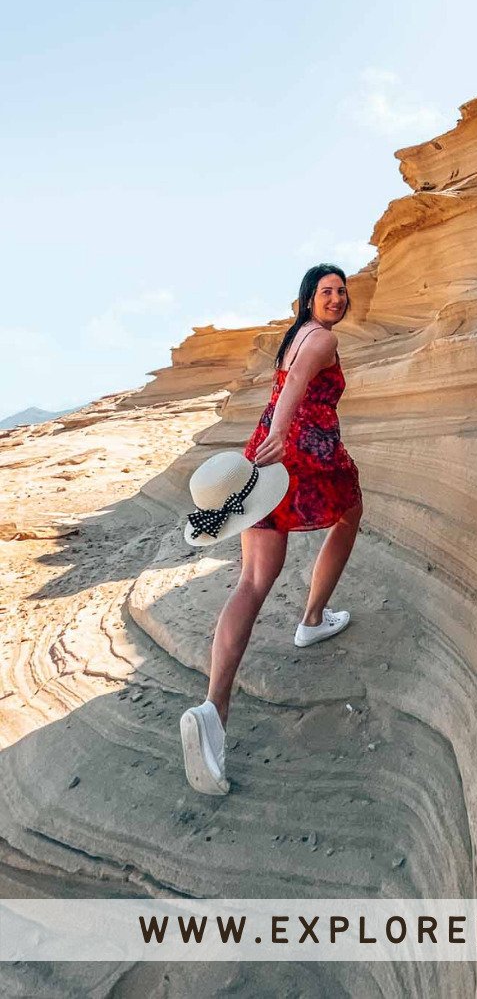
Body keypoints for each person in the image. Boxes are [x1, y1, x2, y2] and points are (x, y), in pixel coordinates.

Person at [179, 264, 364, 796]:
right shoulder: (320, 338)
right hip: (304, 454)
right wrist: (283, 435)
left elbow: (286, 384)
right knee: (350, 512)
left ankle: (214, 709)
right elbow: (299, 387)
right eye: (327, 291)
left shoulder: (293, 338)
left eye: (341, 292)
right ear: (308, 299)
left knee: (253, 581)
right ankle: (310, 617)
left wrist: (270, 439)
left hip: (260, 455)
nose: (337, 298)